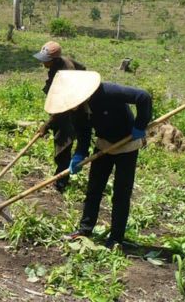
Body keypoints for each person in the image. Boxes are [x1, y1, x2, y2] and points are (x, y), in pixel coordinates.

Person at [44, 70, 152, 249]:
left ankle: (116, 238)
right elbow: (84, 133)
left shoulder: (107, 92)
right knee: (94, 188)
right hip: (104, 144)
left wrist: (140, 125)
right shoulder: (76, 110)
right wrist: (79, 154)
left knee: (121, 193)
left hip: (127, 144)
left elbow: (143, 97)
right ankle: (85, 229)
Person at [33, 41, 86, 193]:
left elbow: (62, 107)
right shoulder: (60, 63)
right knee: (61, 143)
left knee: (63, 144)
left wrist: (47, 125)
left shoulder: (65, 73)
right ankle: (60, 177)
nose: (42, 62)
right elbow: (83, 68)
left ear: (55, 59)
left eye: (45, 59)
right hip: (63, 108)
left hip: (70, 112)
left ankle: (60, 182)